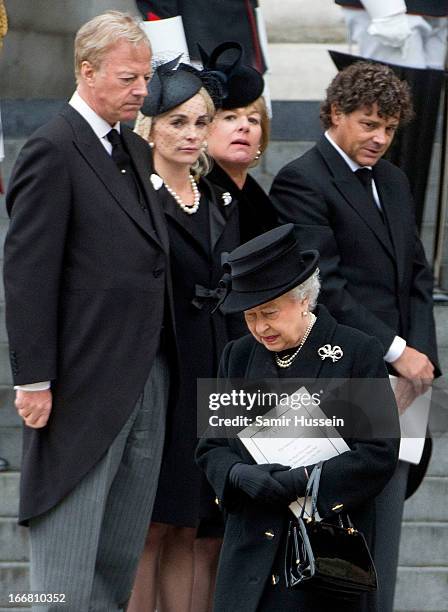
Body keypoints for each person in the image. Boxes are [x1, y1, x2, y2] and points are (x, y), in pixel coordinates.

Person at [4, 11, 176, 611]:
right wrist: (33, 378)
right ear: (86, 71)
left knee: (115, 562)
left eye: (146, 78)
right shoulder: (52, 148)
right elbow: (28, 274)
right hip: (80, 382)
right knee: (64, 572)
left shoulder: (131, 146)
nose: (142, 91)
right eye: (129, 78)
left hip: (145, 375)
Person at [270, 61, 440, 612]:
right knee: (339, 541)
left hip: (403, 385)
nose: (380, 139)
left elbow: (416, 274)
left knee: (385, 534)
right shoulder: (302, 178)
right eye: (369, 124)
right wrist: (397, 352)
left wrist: (421, 362)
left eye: (389, 129)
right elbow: (328, 289)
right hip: (341, 376)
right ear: (336, 113)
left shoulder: (393, 180)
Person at [196, 223, 400, 612]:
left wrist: (303, 481)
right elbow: (211, 449)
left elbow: (378, 453)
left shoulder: (357, 351)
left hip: (323, 554)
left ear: (303, 299)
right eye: (250, 317)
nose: (259, 328)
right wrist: (239, 476)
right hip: (251, 549)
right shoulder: (236, 356)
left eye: (269, 313)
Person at [129, 56, 243, 612]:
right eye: (177, 121)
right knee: (150, 526)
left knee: (197, 525)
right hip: (160, 379)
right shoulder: (135, 200)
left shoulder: (222, 201)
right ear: (147, 126)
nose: (192, 134)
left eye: (201, 122)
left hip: (216, 376)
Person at [205, 42, 278, 242]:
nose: (244, 126)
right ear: (203, 128)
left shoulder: (259, 199)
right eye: (230, 117)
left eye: (253, 120)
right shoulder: (197, 193)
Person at [335, 0, 448, 68]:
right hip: (388, 11)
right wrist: (386, 13)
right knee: (394, 91)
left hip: (438, 11)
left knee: (432, 93)